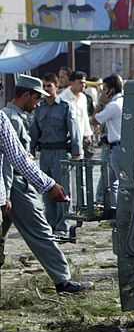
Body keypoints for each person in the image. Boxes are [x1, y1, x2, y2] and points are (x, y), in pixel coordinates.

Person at [0, 75, 92, 294]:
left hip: (16, 185)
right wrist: (9, 195)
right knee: (40, 232)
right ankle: (63, 281)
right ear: (26, 95)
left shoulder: (13, 117)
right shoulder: (8, 119)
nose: (38, 103)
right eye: (36, 98)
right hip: (16, 187)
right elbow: (16, 160)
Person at [30, 73, 81, 239]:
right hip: (45, 153)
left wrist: (76, 152)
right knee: (46, 189)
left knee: (62, 190)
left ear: (57, 87)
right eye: (44, 86)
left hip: (60, 152)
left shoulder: (65, 106)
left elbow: (74, 131)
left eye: (49, 86)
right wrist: (30, 152)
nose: (46, 89)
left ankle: (63, 225)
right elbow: (34, 131)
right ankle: (51, 225)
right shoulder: (39, 108)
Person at [92, 75, 123, 209]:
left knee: (117, 183)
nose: (102, 92)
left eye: (104, 89)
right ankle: (114, 212)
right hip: (118, 147)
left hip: (116, 148)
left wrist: (100, 103)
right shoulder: (123, 101)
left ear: (111, 90)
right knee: (112, 182)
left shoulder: (113, 106)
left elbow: (94, 120)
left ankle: (118, 215)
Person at [58, 71, 93, 154]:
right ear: (72, 82)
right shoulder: (62, 98)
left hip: (81, 138)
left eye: (84, 83)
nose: (83, 85)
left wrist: (87, 134)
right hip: (67, 140)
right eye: (80, 82)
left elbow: (84, 117)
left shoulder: (83, 97)